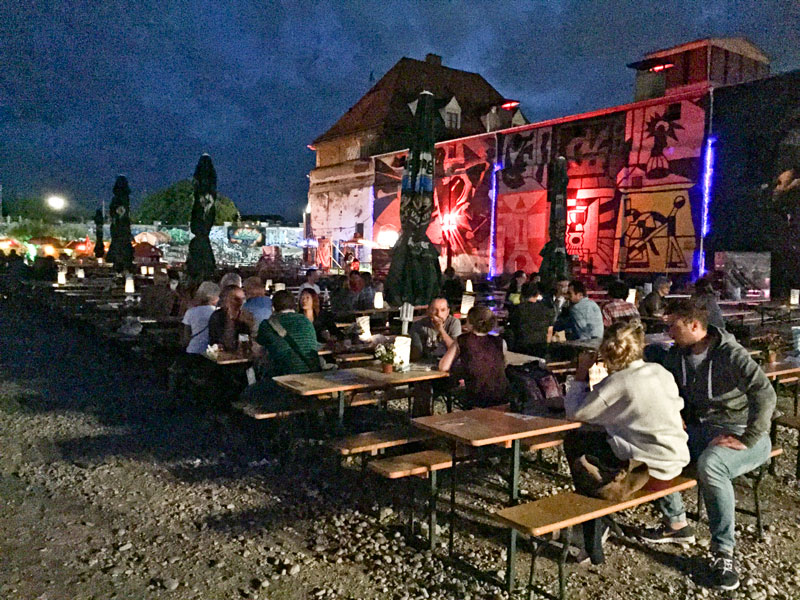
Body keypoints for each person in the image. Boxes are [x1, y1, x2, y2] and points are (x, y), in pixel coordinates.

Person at [640, 299, 776, 591]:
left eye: (672, 326)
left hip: (743, 433)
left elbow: (765, 395)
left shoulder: (730, 354)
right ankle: (676, 523)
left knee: (711, 465)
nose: (668, 332)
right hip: (704, 431)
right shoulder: (678, 354)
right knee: (654, 444)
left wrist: (749, 437)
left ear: (694, 326)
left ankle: (723, 552)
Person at [564, 321, 690, 564]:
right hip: (676, 459)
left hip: (647, 470)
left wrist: (581, 374)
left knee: (576, 442)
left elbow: (575, 413)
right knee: (608, 441)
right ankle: (676, 519)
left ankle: (593, 535)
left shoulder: (617, 383)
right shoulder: (659, 371)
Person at [439, 306, 509, 408]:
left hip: (476, 397)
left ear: (470, 322)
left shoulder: (463, 340)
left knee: (451, 389)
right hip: (501, 397)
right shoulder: (500, 342)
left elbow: (443, 367)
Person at [256, 290, 321, 376]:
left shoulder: (267, 324)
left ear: (273, 307)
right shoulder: (305, 321)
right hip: (311, 373)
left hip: (282, 375)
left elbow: (258, 347)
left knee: (250, 389)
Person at [504, 282, 554, 357]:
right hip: (540, 348)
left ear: (522, 294)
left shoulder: (517, 310)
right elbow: (550, 331)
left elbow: (511, 329)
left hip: (522, 349)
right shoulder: (547, 310)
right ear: (537, 294)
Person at [208, 285, 255, 352]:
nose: (241, 302)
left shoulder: (247, 317)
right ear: (227, 300)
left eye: (243, 299)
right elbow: (214, 339)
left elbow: (249, 339)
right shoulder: (217, 316)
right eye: (236, 299)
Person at [181, 282, 220, 354]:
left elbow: (186, 337)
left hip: (193, 350)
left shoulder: (190, 312)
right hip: (211, 352)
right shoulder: (218, 312)